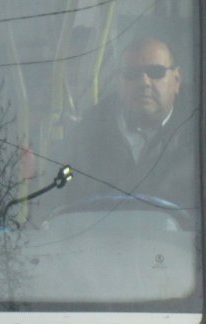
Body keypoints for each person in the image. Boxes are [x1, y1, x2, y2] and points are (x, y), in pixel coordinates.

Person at [59, 35, 197, 212]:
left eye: (156, 72)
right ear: (119, 82)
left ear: (176, 80)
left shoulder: (197, 138)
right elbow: (58, 205)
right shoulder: (84, 140)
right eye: (132, 74)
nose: (144, 82)